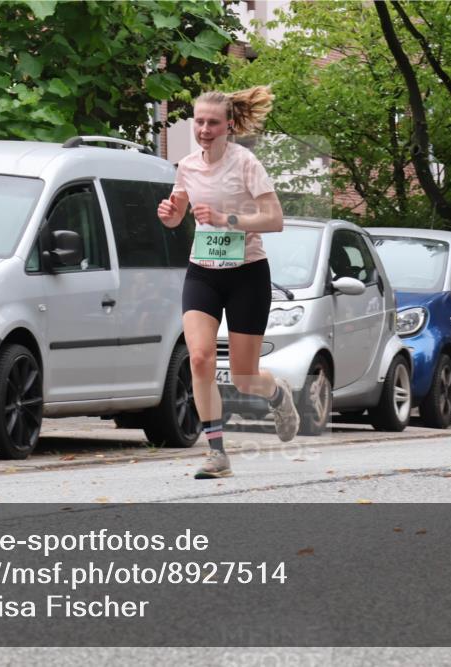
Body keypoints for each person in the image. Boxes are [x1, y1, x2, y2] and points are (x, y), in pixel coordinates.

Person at [156, 86, 299, 479]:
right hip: (203, 271)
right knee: (200, 358)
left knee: (244, 376)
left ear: (229, 125)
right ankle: (216, 454)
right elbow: (177, 214)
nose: (204, 129)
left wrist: (227, 220)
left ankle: (277, 394)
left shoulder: (245, 163)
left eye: (213, 123)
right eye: (199, 122)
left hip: (246, 273)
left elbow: (275, 219)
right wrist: (168, 214)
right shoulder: (187, 166)